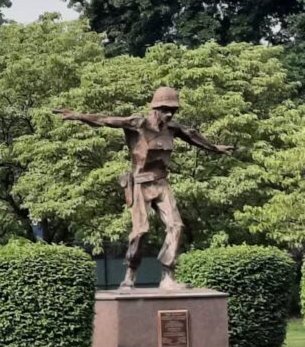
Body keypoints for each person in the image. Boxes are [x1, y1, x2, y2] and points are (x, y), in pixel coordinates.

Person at [54, 87, 233, 290]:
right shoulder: (138, 123)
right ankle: (129, 276)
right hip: (140, 183)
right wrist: (78, 116)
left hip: (161, 183)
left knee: (176, 226)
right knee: (141, 231)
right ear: (155, 108)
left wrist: (215, 148)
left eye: (172, 110)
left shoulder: (172, 128)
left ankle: (168, 277)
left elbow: (192, 135)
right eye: (165, 109)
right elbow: (106, 120)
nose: (169, 114)